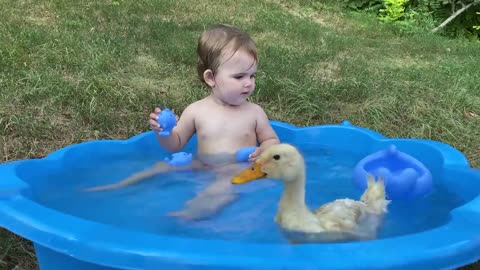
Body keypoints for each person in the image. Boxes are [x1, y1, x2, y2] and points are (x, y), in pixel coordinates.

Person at [87, 24, 280, 220]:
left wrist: (266, 149)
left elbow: (271, 139)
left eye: (252, 75)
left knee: (223, 188)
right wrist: (164, 132)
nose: (248, 83)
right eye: (239, 76)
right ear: (211, 78)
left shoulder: (254, 113)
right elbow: (175, 144)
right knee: (163, 167)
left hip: (236, 168)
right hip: (201, 164)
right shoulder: (196, 110)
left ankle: (189, 215)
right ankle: (121, 186)